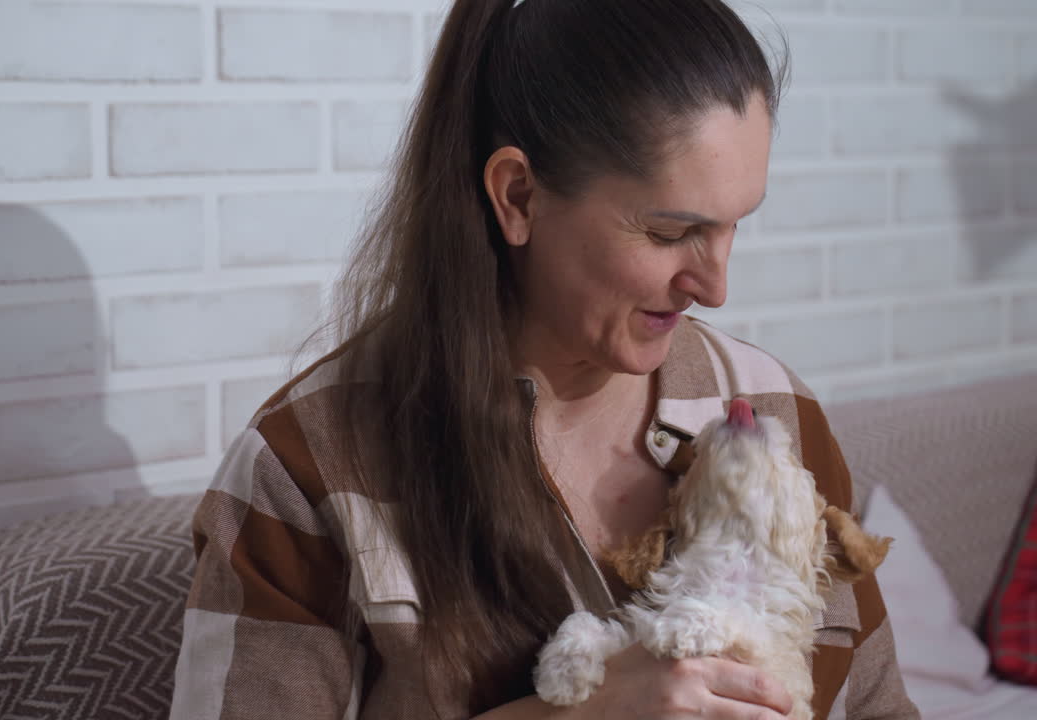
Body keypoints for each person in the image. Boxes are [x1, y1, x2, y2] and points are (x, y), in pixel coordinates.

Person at [170, 0, 919, 718]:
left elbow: (878, 710)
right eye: (668, 232)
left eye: (733, 227)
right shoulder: (310, 469)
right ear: (519, 196)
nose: (716, 287)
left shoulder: (771, 411)